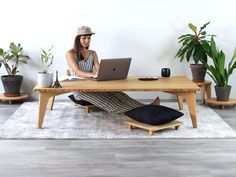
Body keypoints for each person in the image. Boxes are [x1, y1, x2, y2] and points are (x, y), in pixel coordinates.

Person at [66, 26, 160, 113]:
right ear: (78, 39)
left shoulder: (93, 53)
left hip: (93, 85)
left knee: (119, 94)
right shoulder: (70, 53)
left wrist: (106, 73)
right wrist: (93, 75)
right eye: (84, 38)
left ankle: (147, 107)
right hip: (80, 90)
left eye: (89, 38)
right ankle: (144, 111)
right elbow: (78, 72)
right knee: (110, 102)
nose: (87, 40)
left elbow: (99, 69)